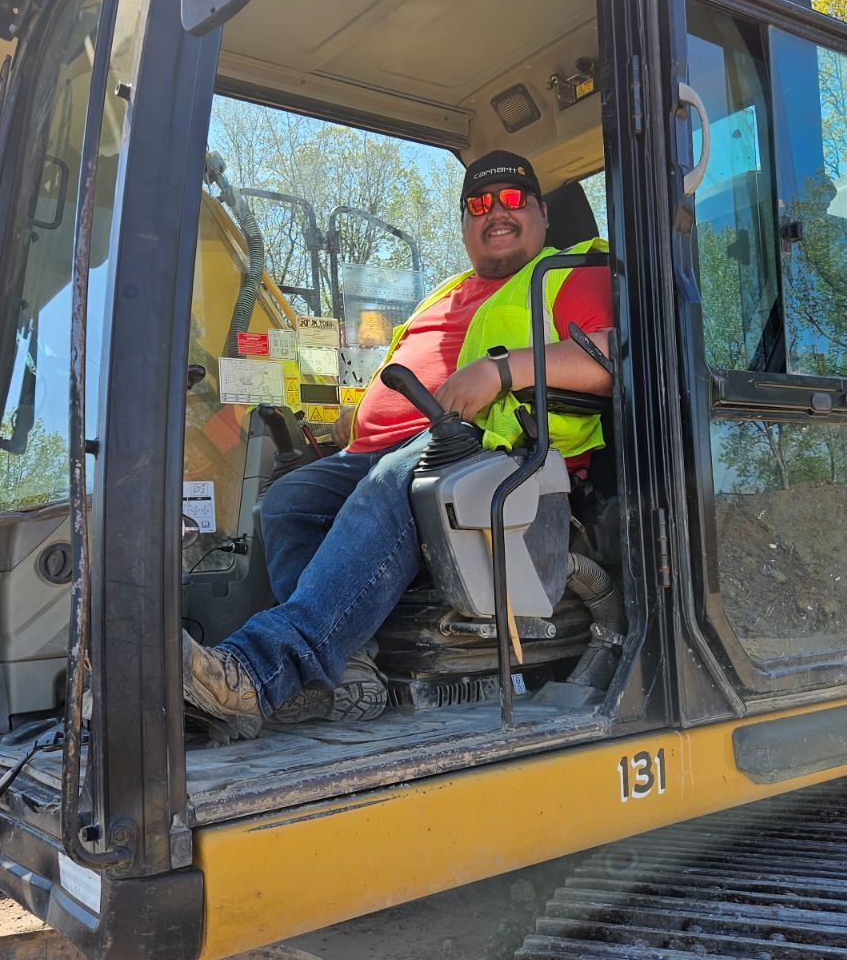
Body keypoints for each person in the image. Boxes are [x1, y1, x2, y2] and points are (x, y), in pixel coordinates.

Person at [182, 149, 613, 737]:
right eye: (479, 205)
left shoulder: (567, 273)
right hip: (384, 450)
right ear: (464, 225)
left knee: (395, 480)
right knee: (287, 501)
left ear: (540, 213)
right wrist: (355, 418)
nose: (496, 213)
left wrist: (500, 371)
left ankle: (256, 672)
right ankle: (344, 672)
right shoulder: (444, 294)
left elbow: (613, 359)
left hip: (492, 454)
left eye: (513, 199)